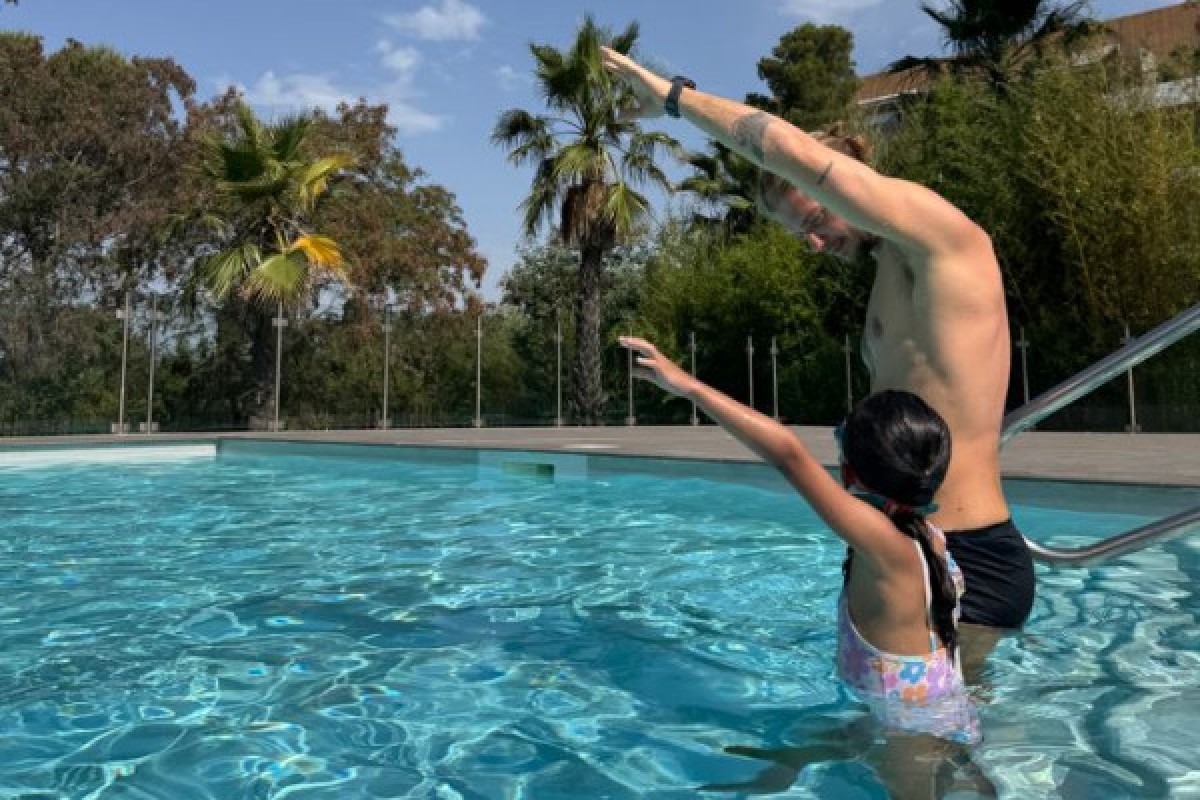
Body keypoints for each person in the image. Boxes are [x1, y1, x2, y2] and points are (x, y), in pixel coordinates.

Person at [601, 47, 1035, 640]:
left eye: (813, 222)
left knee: (922, 732)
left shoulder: (944, 243)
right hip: (902, 550)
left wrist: (673, 99)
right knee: (897, 726)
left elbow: (789, 150)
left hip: (964, 556)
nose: (815, 244)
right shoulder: (890, 269)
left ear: (841, 185)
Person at [621, 335, 979, 750]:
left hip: (908, 732)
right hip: (936, 711)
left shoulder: (885, 547)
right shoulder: (927, 538)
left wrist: (690, 386)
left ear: (851, 473)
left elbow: (789, 453)